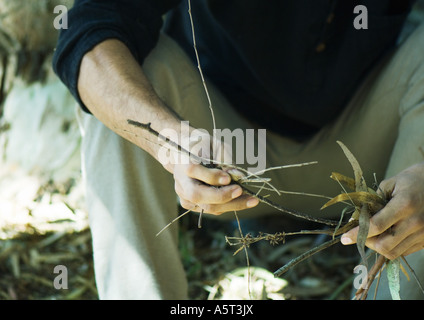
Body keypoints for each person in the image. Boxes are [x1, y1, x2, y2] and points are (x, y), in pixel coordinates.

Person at [53, 0, 424, 299]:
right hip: (224, 155)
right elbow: (89, 26)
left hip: (370, 159)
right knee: (122, 75)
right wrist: (170, 142)